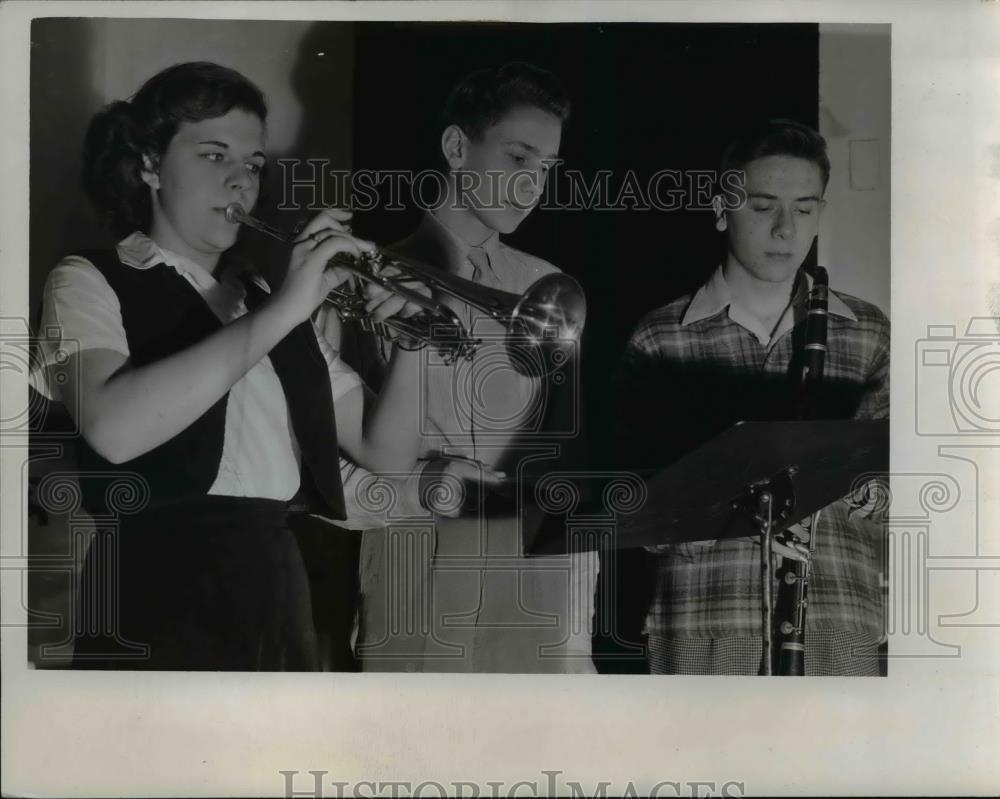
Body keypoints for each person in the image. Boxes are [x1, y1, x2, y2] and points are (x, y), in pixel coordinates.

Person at [32, 61, 429, 671]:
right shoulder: (87, 278)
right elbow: (113, 429)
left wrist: (412, 338)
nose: (241, 182)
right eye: (215, 156)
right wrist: (294, 304)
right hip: (153, 589)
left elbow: (387, 452)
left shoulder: (266, 301)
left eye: (253, 164)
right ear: (149, 165)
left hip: (277, 583)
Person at [349, 62, 600, 673]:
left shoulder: (544, 284)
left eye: (545, 168)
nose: (533, 185)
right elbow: (334, 467)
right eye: (518, 159)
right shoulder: (361, 276)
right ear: (458, 147)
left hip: (538, 560)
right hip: (421, 558)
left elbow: (564, 449)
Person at [618, 119, 890, 676]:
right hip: (702, 621)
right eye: (764, 206)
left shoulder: (866, 331)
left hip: (837, 621)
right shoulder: (661, 336)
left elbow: (905, 488)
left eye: (806, 208)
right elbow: (630, 500)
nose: (787, 230)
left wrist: (866, 489)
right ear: (722, 209)